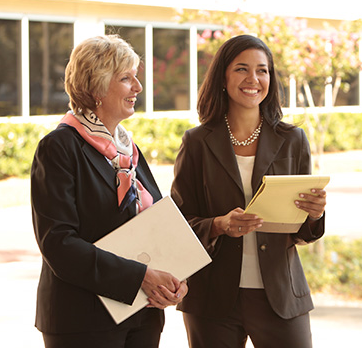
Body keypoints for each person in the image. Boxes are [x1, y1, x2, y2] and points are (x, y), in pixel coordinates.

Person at [170, 34, 327, 348]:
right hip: (213, 298)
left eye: (262, 70)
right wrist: (219, 224)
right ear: (223, 78)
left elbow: (302, 231)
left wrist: (314, 214)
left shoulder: (293, 139)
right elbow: (178, 224)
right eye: (242, 69)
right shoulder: (198, 142)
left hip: (280, 294)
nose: (253, 79)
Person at [31, 35, 187, 348]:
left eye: (136, 77)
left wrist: (176, 276)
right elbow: (59, 243)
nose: (138, 87)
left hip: (142, 314)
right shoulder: (59, 147)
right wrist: (139, 277)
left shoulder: (127, 149)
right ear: (97, 87)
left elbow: (156, 222)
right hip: (82, 320)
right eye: (126, 78)